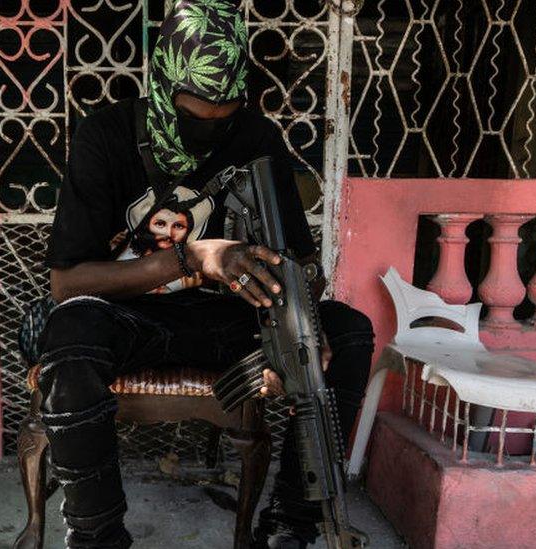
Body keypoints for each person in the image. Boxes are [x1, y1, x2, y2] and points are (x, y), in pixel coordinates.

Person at [36, 1, 374, 547]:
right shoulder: (106, 137)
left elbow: (298, 263)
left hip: (229, 324)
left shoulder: (258, 139)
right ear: (163, 85)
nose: (211, 135)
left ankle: (291, 526)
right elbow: (66, 284)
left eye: (227, 117)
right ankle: (97, 537)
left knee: (350, 331)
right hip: (131, 318)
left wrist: (294, 330)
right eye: (194, 119)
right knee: (70, 336)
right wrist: (192, 259)